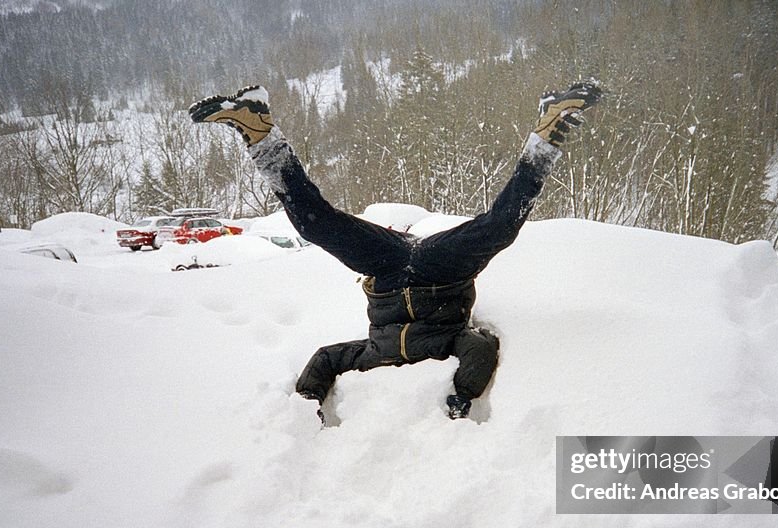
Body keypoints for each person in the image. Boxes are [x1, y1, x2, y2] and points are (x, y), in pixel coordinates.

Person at [189, 80, 601, 422]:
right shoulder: (447, 345)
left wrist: (307, 399)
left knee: (317, 224)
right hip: (442, 272)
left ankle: (260, 133)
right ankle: (547, 133)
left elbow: (327, 358)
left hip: (386, 269)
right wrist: (461, 395)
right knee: (499, 225)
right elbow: (480, 349)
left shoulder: (370, 356)